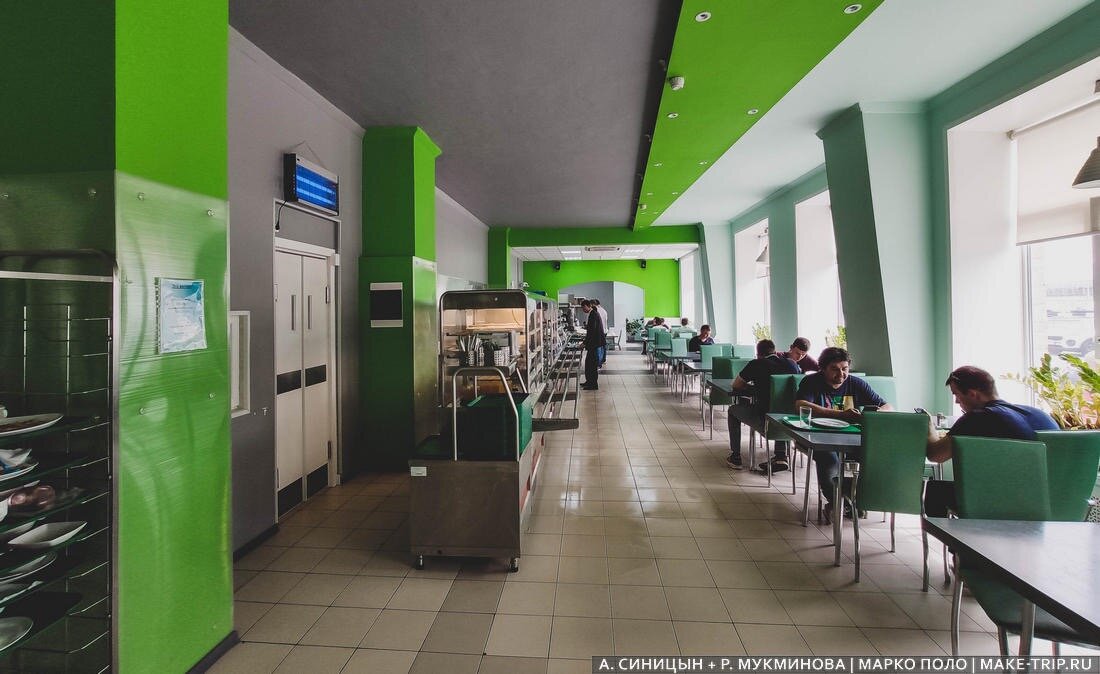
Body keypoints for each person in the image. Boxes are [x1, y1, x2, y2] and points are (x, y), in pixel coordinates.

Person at [923, 365, 1058, 516]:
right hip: (1052, 502)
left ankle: (957, 533)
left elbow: (936, 455)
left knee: (933, 491)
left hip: (1004, 503)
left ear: (973, 394)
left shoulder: (978, 417)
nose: (956, 402)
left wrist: (928, 425)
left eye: (957, 395)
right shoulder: (1041, 415)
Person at [794, 347, 891, 519]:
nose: (841, 374)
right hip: (817, 437)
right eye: (835, 369)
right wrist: (840, 414)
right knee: (829, 458)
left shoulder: (856, 383)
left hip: (851, 438)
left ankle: (854, 497)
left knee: (874, 457)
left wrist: (875, 414)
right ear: (823, 368)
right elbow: (800, 405)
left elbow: (887, 406)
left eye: (845, 369)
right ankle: (839, 501)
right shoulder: (811, 381)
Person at [725, 340, 800, 470]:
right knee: (781, 406)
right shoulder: (792, 364)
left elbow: (736, 385)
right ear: (775, 351)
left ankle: (735, 457)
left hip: (765, 420)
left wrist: (753, 387)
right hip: (790, 422)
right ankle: (781, 456)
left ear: (758, 354)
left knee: (732, 410)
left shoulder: (756, 364)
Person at [580, 300, 604, 390]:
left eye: (583, 307)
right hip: (593, 343)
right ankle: (589, 381)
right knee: (588, 364)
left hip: (594, 344)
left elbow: (592, 331)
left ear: (587, 306)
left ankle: (593, 384)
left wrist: (584, 342)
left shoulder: (593, 314)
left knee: (592, 365)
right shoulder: (593, 313)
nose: (583, 310)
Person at [593, 299, 609, 367]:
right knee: (603, 346)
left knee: (598, 347)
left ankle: (599, 362)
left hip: (599, 331)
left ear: (594, 304)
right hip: (605, 331)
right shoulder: (604, 310)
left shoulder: (596, 311)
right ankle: (603, 359)